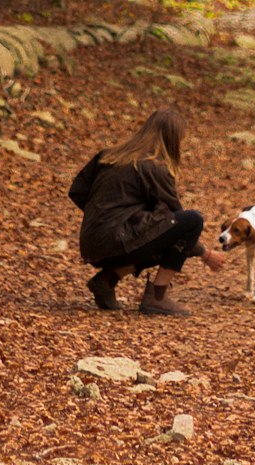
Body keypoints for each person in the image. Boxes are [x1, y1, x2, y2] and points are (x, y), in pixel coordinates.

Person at [68, 106, 225, 316]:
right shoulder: (154, 168)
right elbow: (178, 225)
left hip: (91, 244)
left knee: (153, 231)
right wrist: (205, 254)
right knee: (192, 220)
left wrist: (102, 217)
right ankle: (157, 297)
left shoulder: (109, 155)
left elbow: (77, 192)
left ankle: (107, 280)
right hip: (116, 242)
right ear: (172, 139)